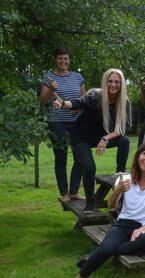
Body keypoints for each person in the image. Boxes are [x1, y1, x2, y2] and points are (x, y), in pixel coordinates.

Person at [70, 142, 145, 278]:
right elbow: (110, 206)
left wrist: (144, 229)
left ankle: (93, 257)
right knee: (107, 248)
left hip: (144, 230)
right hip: (122, 225)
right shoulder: (124, 179)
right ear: (138, 156)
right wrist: (117, 190)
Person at [54, 68, 131, 213]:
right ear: (105, 82)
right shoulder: (95, 95)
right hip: (81, 136)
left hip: (101, 136)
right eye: (110, 81)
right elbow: (78, 103)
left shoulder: (124, 102)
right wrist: (64, 103)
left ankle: (120, 173)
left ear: (121, 84)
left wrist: (105, 139)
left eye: (116, 82)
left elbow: (121, 130)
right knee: (89, 168)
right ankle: (90, 203)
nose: (113, 85)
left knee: (124, 141)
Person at [40, 47, 86, 202]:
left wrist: (77, 110)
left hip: (76, 123)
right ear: (56, 59)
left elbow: (83, 100)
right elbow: (43, 101)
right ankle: (64, 193)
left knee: (81, 156)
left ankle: (74, 191)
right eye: (60, 58)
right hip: (56, 122)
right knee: (61, 158)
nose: (63, 61)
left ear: (69, 60)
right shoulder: (48, 77)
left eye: (66, 58)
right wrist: (51, 88)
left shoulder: (78, 77)